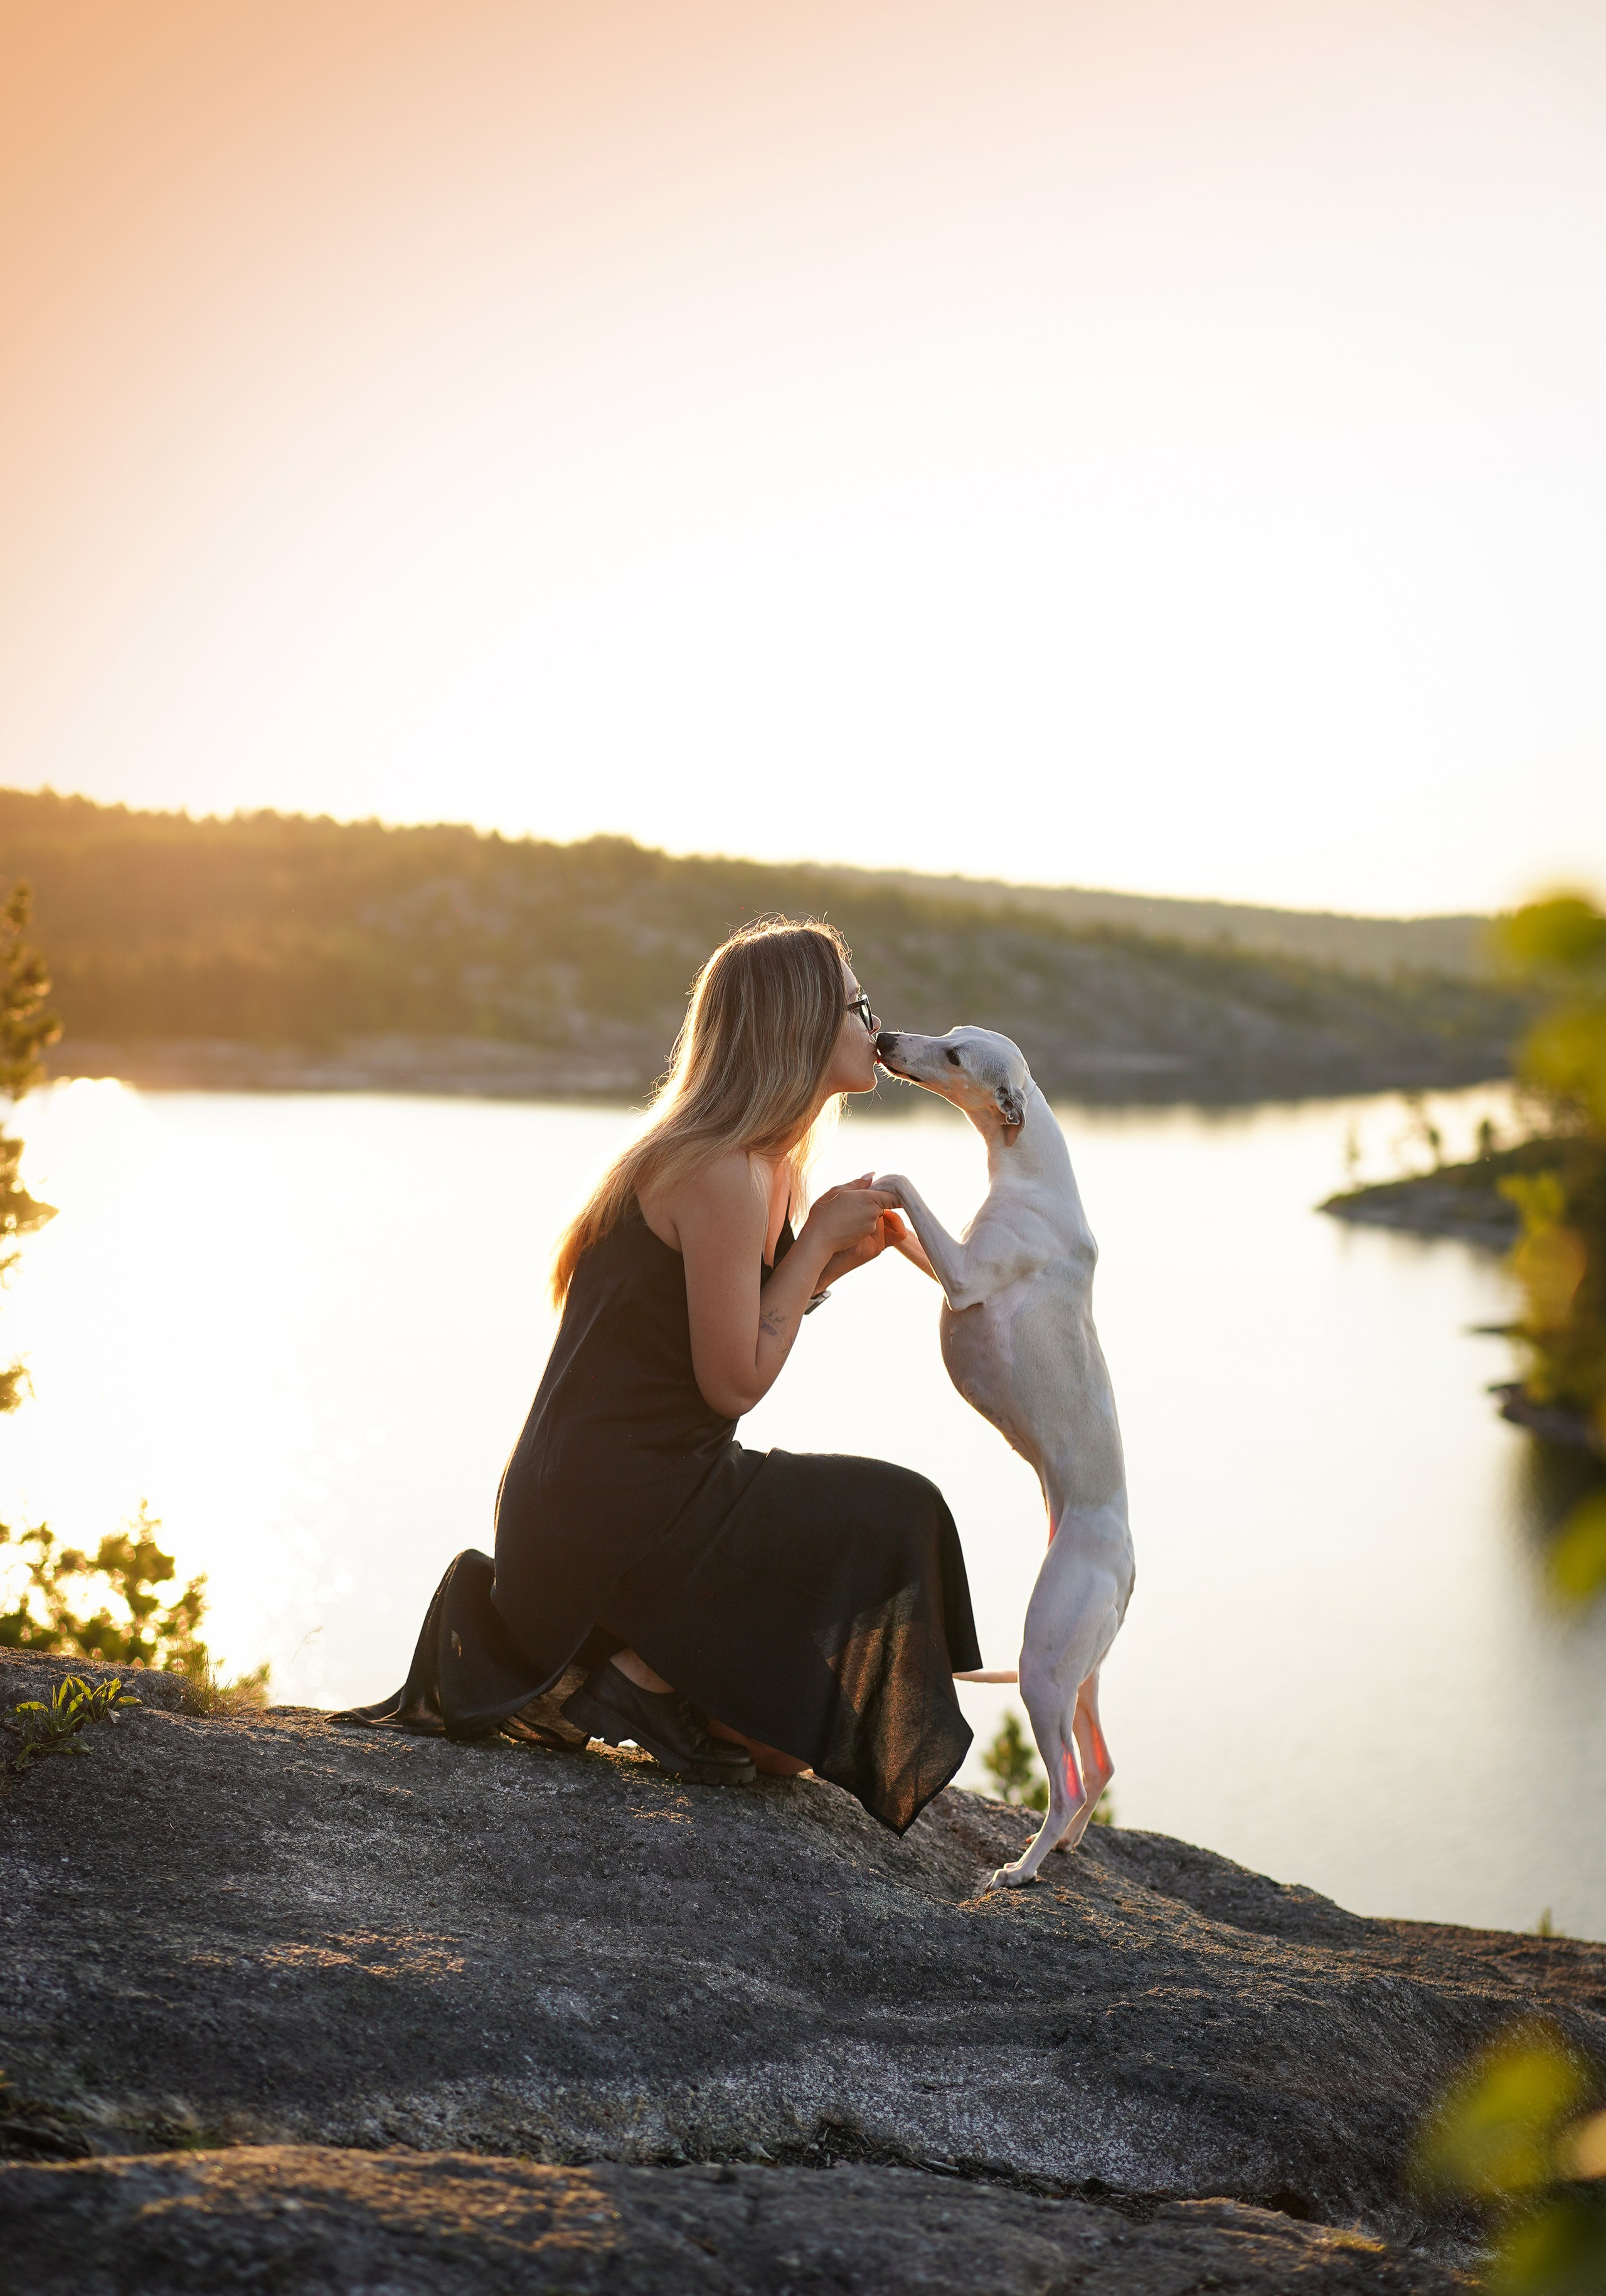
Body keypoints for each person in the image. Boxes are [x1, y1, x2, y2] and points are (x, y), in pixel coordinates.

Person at [341, 917, 981, 1836]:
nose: (873, 1026)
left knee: (784, 1751)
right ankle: (633, 1669)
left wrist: (819, 1258)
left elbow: (711, 1356)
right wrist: (814, 1255)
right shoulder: (721, 1170)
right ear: (799, 1027)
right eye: (856, 1006)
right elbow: (732, 1384)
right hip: (623, 1509)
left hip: (621, 1499)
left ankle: (631, 1675)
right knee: (900, 1512)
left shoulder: (748, 1164)